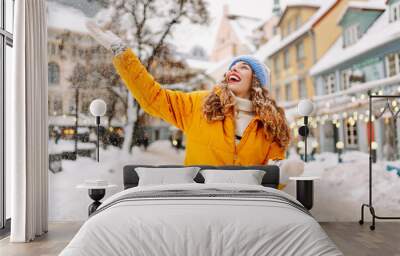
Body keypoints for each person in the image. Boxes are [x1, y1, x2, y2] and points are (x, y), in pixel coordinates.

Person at [86, 22, 303, 186]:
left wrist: (282, 171)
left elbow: (272, 176)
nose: (234, 69)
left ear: (256, 81)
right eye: (232, 67)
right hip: (199, 199)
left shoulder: (270, 124)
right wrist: (122, 53)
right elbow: (153, 97)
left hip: (245, 208)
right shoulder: (200, 104)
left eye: (244, 67)